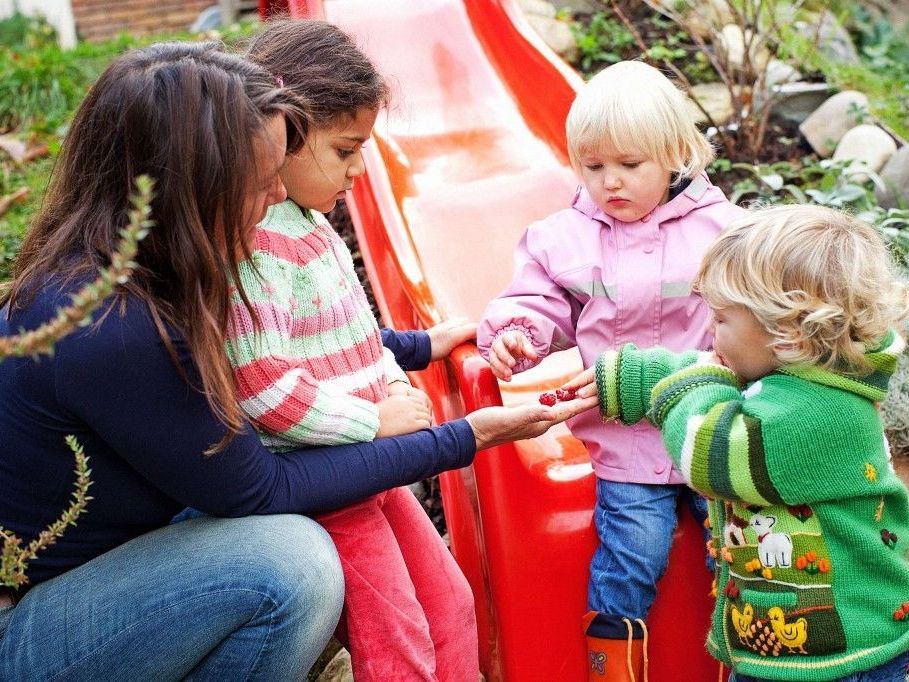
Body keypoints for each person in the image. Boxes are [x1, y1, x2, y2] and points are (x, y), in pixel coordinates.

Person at [0, 41, 595, 680]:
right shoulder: (110, 329)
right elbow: (261, 489)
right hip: (33, 621)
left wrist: (413, 349)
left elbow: (292, 352)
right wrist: (463, 437)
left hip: (122, 566)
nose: (276, 197)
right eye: (260, 184)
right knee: (292, 561)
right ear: (190, 184)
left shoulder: (151, 274)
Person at [475, 59, 745, 678]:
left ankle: (751, 657)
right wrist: (520, 333)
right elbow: (536, 298)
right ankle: (611, 666)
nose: (611, 184)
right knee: (632, 554)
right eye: (594, 168)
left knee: (740, 552)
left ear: (675, 155)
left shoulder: (723, 232)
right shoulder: (566, 238)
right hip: (627, 439)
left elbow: (757, 311)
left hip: (712, 429)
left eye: (630, 165)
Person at [230, 19, 478, 681]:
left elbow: (347, 339)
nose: (358, 168)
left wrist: (408, 361)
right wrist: (374, 420)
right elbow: (261, 383)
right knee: (392, 633)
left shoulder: (310, 225)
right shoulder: (255, 242)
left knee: (448, 601)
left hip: (365, 466)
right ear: (281, 134)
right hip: (325, 482)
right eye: (345, 149)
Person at [566, 204, 909, 681]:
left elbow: (710, 451)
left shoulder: (821, 410)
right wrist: (640, 377)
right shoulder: (794, 377)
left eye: (723, 319)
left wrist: (686, 381)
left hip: (840, 659)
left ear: (786, 333)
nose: (710, 330)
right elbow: (719, 383)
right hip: (793, 647)